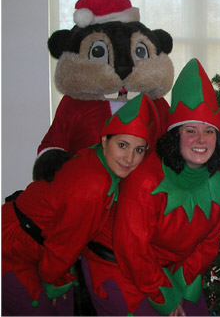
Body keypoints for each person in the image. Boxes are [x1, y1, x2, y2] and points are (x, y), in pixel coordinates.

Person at [92, 58, 220, 316]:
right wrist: (163, 295)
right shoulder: (146, 180)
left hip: (171, 267)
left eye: (209, 131)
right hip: (119, 265)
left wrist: (181, 280)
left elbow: (209, 243)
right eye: (190, 130)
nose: (201, 140)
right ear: (176, 135)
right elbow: (131, 248)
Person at [1, 93, 159, 316]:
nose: (129, 158)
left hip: (35, 247)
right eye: (122, 145)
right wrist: (58, 283)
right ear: (104, 140)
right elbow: (64, 244)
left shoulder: (98, 161)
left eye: (138, 150)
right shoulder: (95, 183)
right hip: (12, 248)